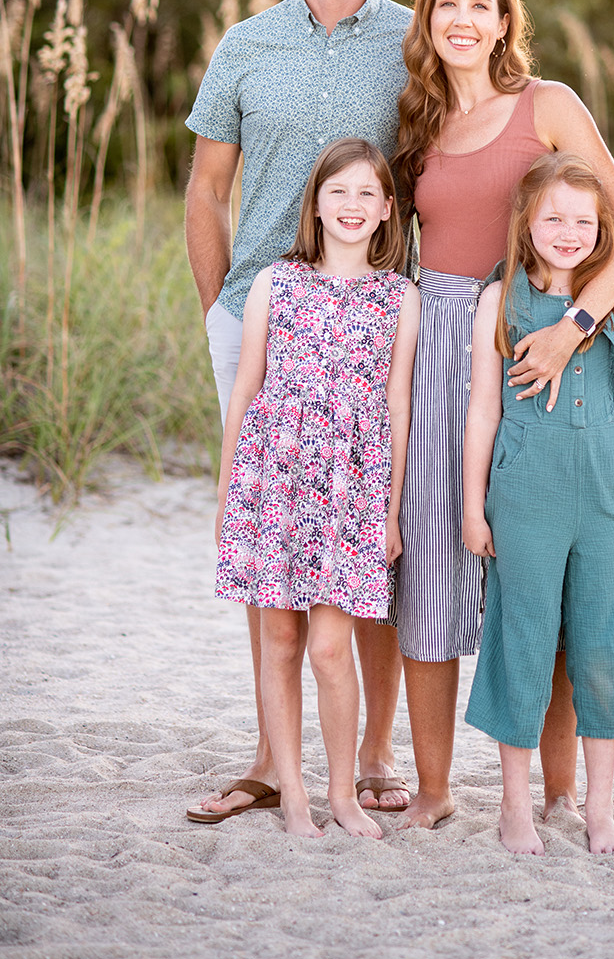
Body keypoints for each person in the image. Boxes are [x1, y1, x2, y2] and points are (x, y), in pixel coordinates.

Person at [391, 0, 614, 830]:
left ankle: (561, 789)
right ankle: (433, 790)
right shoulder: (415, 122)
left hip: (545, 328)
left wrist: (574, 329)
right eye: (446, 4)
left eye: (481, 4)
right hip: (439, 335)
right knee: (435, 551)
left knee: (551, 566)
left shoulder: (549, 105)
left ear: (505, 21)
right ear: (428, 20)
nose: (464, 18)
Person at [185, 0, 414, 820]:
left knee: (366, 527)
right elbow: (205, 190)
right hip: (262, 309)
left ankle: (367, 753)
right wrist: (220, 311)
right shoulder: (245, 45)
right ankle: (275, 758)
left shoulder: (413, 42)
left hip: (373, 315)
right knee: (270, 533)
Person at [200, 139, 419, 838]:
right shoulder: (275, 282)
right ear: (316, 206)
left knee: (330, 646)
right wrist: (229, 490)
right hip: (274, 480)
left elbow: (397, 408)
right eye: (338, 192)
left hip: (351, 491)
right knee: (281, 641)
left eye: (366, 194)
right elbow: (245, 389)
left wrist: (389, 514)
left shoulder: (400, 297)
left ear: (388, 210)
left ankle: (342, 794)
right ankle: (293, 797)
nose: (352, 206)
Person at [462, 154, 614, 855]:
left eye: (582, 221)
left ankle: (600, 807)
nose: (567, 231)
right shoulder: (499, 300)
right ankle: (515, 807)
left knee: (607, 643)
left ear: (601, 229)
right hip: (526, 491)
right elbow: (482, 411)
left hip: (607, 490)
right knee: (522, 639)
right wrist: (474, 505)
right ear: (526, 221)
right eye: (553, 217)